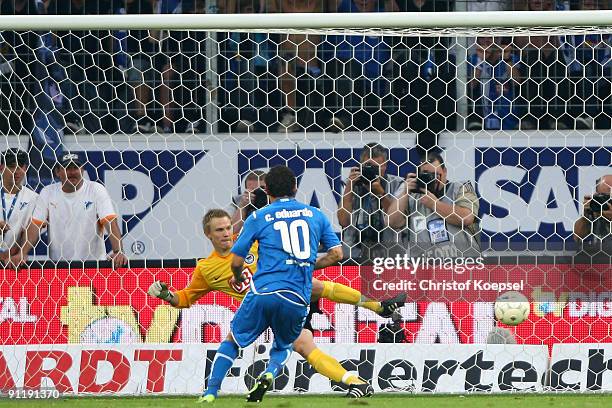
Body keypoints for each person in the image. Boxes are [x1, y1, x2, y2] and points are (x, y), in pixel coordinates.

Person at [12, 152, 128, 267]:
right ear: (57, 172)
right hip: (59, 267)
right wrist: (22, 253)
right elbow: (35, 226)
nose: (72, 172)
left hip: (93, 266)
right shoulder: (48, 192)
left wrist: (118, 251)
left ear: (82, 169)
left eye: (76, 167)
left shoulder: (96, 189)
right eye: (67, 168)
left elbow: (110, 222)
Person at [388, 151, 481, 259]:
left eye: (436, 174)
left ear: (444, 171)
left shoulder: (460, 188)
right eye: (427, 174)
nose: (433, 178)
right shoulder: (412, 197)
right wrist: (405, 192)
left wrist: (434, 204)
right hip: (425, 268)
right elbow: (393, 222)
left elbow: (466, 218)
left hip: (461, 264)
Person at [337, 143, 405, 263]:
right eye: (367, 166)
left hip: (389, 255)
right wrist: (349, 187)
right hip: (354, 254)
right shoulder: (353, 185)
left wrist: (380, 193)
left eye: (375, 167)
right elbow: (343, 221)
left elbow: (397, 221)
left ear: (384, 166)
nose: (371, 171)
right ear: (360, 166)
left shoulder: (397, 184)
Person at [0, 149, 38, 264]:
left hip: (15, 262)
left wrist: (19, 252)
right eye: (11, 166)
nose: (16, 171)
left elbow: (31, 231)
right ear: (1, 168)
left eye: (20, 166)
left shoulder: (34, 198)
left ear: (25, 168)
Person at [573, 174, 612, 254]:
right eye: (604, 197)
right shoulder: (594, 210)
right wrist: (586, 215)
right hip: (594, 260)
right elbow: (577, 238)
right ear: (596, 195)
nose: (608, 202)